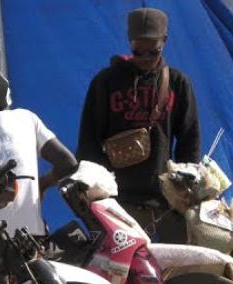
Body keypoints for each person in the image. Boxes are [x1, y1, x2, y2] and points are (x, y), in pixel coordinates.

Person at [76, 7, 200, 243]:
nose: (144, 58)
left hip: (165, 205)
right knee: (120, 275)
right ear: (129, 41)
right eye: (138, 51)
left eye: (152, 52)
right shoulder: (106, 82)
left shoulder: (177, 83)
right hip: (117, 204)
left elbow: (189, 140)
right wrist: (96, 196)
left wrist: (183, 190)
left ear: (165, 41)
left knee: (172, 275)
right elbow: (89, 142)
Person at [0, 68, 78, 237]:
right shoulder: (25, 118)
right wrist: (41, 185)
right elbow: (68, 163)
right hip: (30, 238)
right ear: (6, 98)